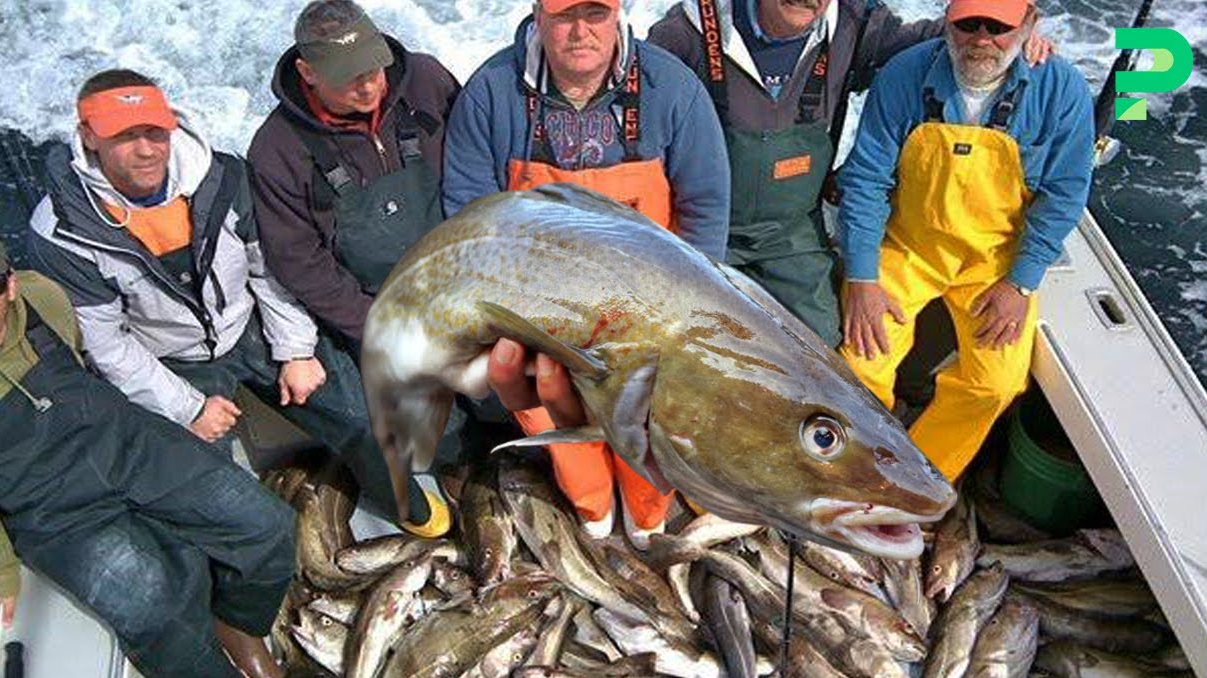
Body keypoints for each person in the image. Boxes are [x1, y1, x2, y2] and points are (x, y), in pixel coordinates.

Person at [28, 69, 448, 537]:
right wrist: (186, 407)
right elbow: (107, 344)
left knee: (363, 418)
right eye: (124, 137)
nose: (146, 150)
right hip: (168, 358)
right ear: (88, 137)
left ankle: (401, 499)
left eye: (154, 132)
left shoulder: (223, 176)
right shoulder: (62, 231)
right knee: (205, 482)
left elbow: (269, 269)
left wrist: (295, 350)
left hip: (251, 327)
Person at [0, 215, 292, 678]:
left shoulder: (45, 297)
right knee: (153, 610)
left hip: (127, 444)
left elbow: (86, 361)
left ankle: (239, 623)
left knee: (268, 524)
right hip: (54, 509)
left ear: (10, 285)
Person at [441, 0, 731, 548]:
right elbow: (471, 213)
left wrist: (692, 310)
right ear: (537, 15)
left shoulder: (674, 88)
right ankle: (592, 515)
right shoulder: (492, 91)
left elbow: (706, 205)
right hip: (538, 306)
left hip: (649, 304)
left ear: (619, 14)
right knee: (549, 408)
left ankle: (647, 520)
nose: (580, 32)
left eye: (595, 14)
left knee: (653, 419)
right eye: (563, 17)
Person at [648, 0, 1052, 348]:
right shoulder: (685, 33)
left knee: (821, 346)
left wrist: (1017, 36)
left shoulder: (854, 24)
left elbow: (951, 41)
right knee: (688, 340)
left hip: (792, 234)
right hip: (699, 227)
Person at [835, 0, 1094, 483]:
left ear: (1029, 24)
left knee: (997, 383)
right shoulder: (904, 74)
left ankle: (917, 479)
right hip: (911, 248)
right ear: (947, 21)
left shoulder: (1062, 88)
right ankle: (857, 472)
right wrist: (862, 276)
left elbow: (1065, 192)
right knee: (860, 361)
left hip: (997, 262)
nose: (981, 38)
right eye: (968, 23)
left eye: (998, 27)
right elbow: (866, 179)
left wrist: (1020, 283)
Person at [246, 0, 465, 534]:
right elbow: (300, 263)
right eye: (349, 80)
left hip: (460, 277)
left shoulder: (428, 81)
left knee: (517, 393)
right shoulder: (276, 151)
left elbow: (473, 163)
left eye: (373, 68)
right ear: (307, 73)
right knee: (433, 436)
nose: (369, 87)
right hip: (373, 306)